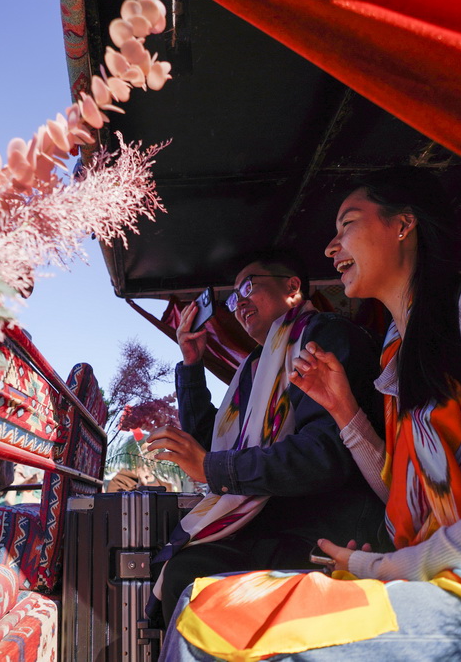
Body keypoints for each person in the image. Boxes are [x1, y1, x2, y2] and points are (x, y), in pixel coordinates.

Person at [158, 168, 461, 660]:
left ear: (403, 225)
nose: (331, 248)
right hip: (451, 575)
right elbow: (400, 491)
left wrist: (394, 566)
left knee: (218, 636)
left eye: (346, 225)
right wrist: (347, 414)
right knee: (205, 612)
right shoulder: (395, 349)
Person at [146, 251, 386, 625]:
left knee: (188, 575)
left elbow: (325, 455)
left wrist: (213, 468)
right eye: (231, 298)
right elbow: (216, 444)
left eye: (248, 287)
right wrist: (192, 365)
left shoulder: (324, 334)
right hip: (273, 527)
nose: (238, 303)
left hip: (325, 531)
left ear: (292, 288)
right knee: (182, 571)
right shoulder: (255, 367)